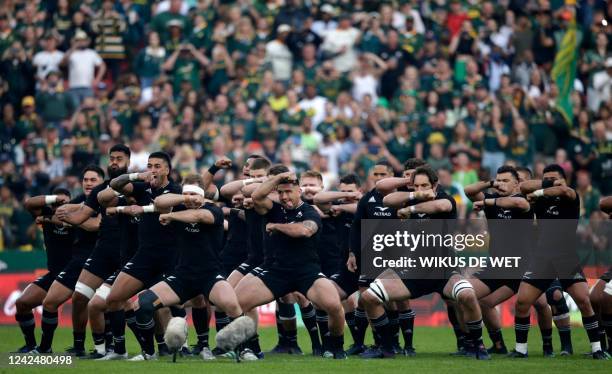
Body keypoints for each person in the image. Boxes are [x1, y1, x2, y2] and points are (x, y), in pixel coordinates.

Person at [363, 165, 490, 360]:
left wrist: (411, 208)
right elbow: (387, 199)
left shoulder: (446, 199)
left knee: (468, 296)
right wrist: (414, 196)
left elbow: (440, 207)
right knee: (369, 298)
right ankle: (387, 348)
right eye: (416, 186)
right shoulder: (412, 196)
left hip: (445, 270)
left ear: (435, 185)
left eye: (424, 185)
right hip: (415, 270)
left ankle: (478, 345)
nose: (420, 189)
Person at [233, 168, 347, 359]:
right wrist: (278, 177)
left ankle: (336, 347)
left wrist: (277, 226)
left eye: (289, 192)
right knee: (237, 302)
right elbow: (256, 195)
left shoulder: (310, 212)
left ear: (299, 191)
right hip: (276, 270)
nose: (285, 196)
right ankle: (252, 347)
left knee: (334, 306)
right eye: (281, 192)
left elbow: (304, 231)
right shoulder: (272, 208)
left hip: (306, 271)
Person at [129, 174, 244, 361]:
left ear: (203, 195)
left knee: (231, 305)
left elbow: (199, 216)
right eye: (186, 193)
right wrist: (186, 198)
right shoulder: (180, 205)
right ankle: (149, 353)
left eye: (194, 194)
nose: (190, 198)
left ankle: (243, 349)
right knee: (142, 305)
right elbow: (159, 201)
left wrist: (171, 215)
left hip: (210, 274)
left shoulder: (212, 210)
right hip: (182, 275)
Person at [510, 164, 607, 359]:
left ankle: (597, 349)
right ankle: (521, 350)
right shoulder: (541, 198)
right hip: (542, 258)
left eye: (554, 178)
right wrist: (544, 186)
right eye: (546, 178)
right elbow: (524, 187)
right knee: (522, 302)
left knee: (584, 302)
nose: (550, 181)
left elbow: (561, 189)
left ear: (564, 179)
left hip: (566, 257)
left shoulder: (570, 195)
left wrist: (541, 189)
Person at [464, 165, 557, 356]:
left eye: (506, 181)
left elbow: (518, 205)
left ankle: (548, 345)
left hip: (524, 266)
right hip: (498, 266)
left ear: (517, 184)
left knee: (541, 304)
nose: (501, 184)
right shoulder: (492, 200)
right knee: (468, 295)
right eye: (499, 180)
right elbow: (469, 191)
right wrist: (491, 183)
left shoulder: (524, 199)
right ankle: (498, 345)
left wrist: (488, 203)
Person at [104, 152, 182, 361]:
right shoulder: (142, 187)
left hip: (169, 257)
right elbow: (115, 184)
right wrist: (136, 176)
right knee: (112, 299)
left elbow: (163, 206)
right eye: (150, 165)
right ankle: (127, 351)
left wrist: (143, 209)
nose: (153, 170)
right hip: (144, 255)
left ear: (167, 170)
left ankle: (170, 348)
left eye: (158, 166)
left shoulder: (176, 190)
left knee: (157, 308)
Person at [54, 144, 131, 358]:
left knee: (122, 304)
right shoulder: (100, 191)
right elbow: (80, 217)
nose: (114, 162)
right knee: (80, 298)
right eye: (111, 158)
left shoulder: (137, 186)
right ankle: (99, 350)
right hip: (103, 251)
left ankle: (152, 347)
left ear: (128, 162)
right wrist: (62, 215)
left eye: (119, 158)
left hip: (127, 252)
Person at [31, 165, 104, 354]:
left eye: (93, 180)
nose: (88, 183)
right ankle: (50, 348)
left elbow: (94, 225)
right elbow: (35, 206)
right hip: (78, 260)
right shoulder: (81, 200)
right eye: (86, 180)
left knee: (109, 304)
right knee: (53, 302)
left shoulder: (107, 200)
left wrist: (71, 218)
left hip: (101, 260)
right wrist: (55, 207)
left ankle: (111, 347)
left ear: (102, 182)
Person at [13, 188, 74, 352]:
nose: (62, 207)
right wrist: (54, 198)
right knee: (22, 303)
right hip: (54, 273)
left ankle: (47, 348)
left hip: (77, 274)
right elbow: (28, 203)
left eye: (66, 203)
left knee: (51, 304)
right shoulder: (45, 211)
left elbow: (64, 222)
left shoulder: (77, 215)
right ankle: (32, 345)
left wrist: (47, 218)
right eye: (58, 204)